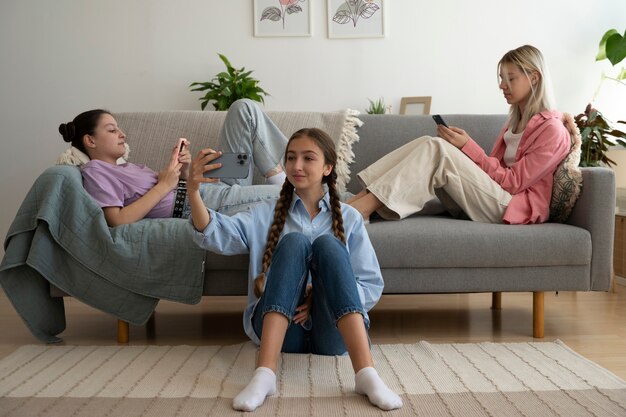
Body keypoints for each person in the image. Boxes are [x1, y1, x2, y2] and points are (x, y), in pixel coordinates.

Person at [187, 128, 403, 412]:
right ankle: (264, 374)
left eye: (308, 158)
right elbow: (216, 233)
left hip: (332, 333)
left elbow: (370, 285)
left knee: (328, 244)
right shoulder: (265, 212)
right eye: (290, 158)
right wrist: (192, 191)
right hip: (280, 332)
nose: (296, 166)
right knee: (294, 242)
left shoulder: (349, 218)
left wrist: (321, 294)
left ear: (327, 168)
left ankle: (366, 375)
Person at [348, 45, 571, 225]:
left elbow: (513, 183)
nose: (502, 85)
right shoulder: (514, 122)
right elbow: (491, 172)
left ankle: (357, 211)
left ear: (534, 78)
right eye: (501, 78)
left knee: (437, 149)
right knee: (429, 142)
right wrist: (462, 150)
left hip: (511, 206)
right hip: (492, 197)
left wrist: (468, 147)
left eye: (510, 78)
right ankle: (356, 201)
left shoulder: (552, 130)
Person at [57, 99, 287, 226]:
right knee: (291, 195)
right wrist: (165, 184)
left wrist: (183, 170)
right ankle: (294, 183)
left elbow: (168, 188)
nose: (122, 134)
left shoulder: (124, 167)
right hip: (198, 203)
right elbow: (116, 220)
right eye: (112, 130)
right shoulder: (95, 171)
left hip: (205, 189)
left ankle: (279, 176)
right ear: (90, 140)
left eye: (119, 128)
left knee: (243, 108)